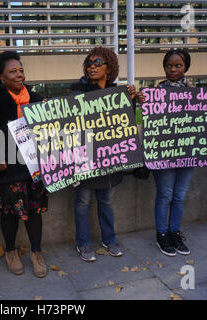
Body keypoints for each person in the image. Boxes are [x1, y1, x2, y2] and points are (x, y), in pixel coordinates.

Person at [0, 51, 48, 278]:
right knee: (9, 213)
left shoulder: (37, 99)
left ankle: (36, 252)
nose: (19, 75)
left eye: (21, 70)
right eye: (12, 71)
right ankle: (10, 251)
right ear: (0, 77)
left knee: (35, 212)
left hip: (35, 168)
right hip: (8, 170)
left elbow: (50, 133)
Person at [70, 46, 143, 262]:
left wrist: (132, 101)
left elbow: (126, 125)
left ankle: (109, 239)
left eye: (97, 63)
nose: (92, 66)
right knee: (83, 202)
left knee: (106, 201)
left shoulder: (119, 93)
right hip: (85, 160)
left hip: (109, 160)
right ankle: (83, 243)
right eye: (89, 63)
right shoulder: (77, 93)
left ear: (109, 68)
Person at [152, 48, 193, 257]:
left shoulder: (197, 93)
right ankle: (162, 234)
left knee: (179, 196)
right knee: (165, 194)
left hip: (188, 152)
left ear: (186, 67)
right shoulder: (156, 92)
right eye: (169, 65)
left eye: (178, 65)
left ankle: (175, 232)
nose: (173, 69)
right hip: (164, 154)